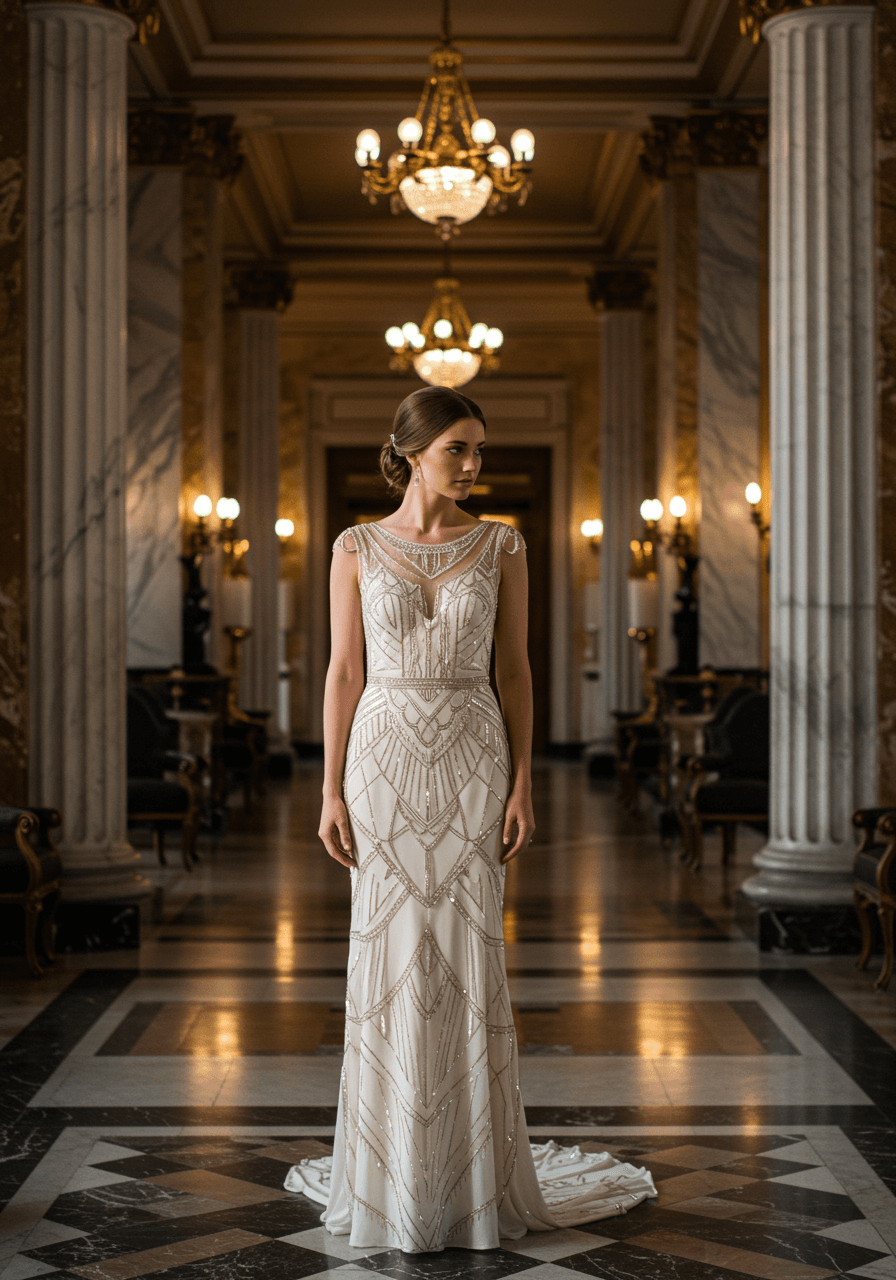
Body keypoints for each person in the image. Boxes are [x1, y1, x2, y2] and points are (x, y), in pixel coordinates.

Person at [284, 385, 655, 1252]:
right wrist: (330, 788)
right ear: (412, 452)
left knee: (465, 954)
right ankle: (389, 1173)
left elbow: (517, 671)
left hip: (471, 757)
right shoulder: (352, 547)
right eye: (459, 449)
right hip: (379, 759)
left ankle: (471, 1180)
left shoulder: (502, 545)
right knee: (386, 954)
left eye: (479, 450)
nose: (474, 464)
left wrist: (526, 783)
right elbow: (343, 673)